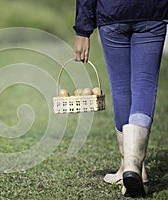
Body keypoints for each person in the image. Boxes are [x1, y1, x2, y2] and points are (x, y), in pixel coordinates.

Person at [73, 0, 168, 197]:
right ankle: (133, 165)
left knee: (121, 88)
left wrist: (83, 30)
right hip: (152, 12)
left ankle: (130, 165)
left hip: (113, 11)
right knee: (144, 86)